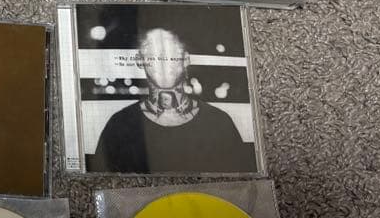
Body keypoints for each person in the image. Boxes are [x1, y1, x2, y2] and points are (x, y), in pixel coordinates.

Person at [86, 27, 256, 173]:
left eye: (171, 51)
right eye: (152, 53)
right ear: (140, 61)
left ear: (186, 59)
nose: (163, 60)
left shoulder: (219, 122)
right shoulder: (120, 124)